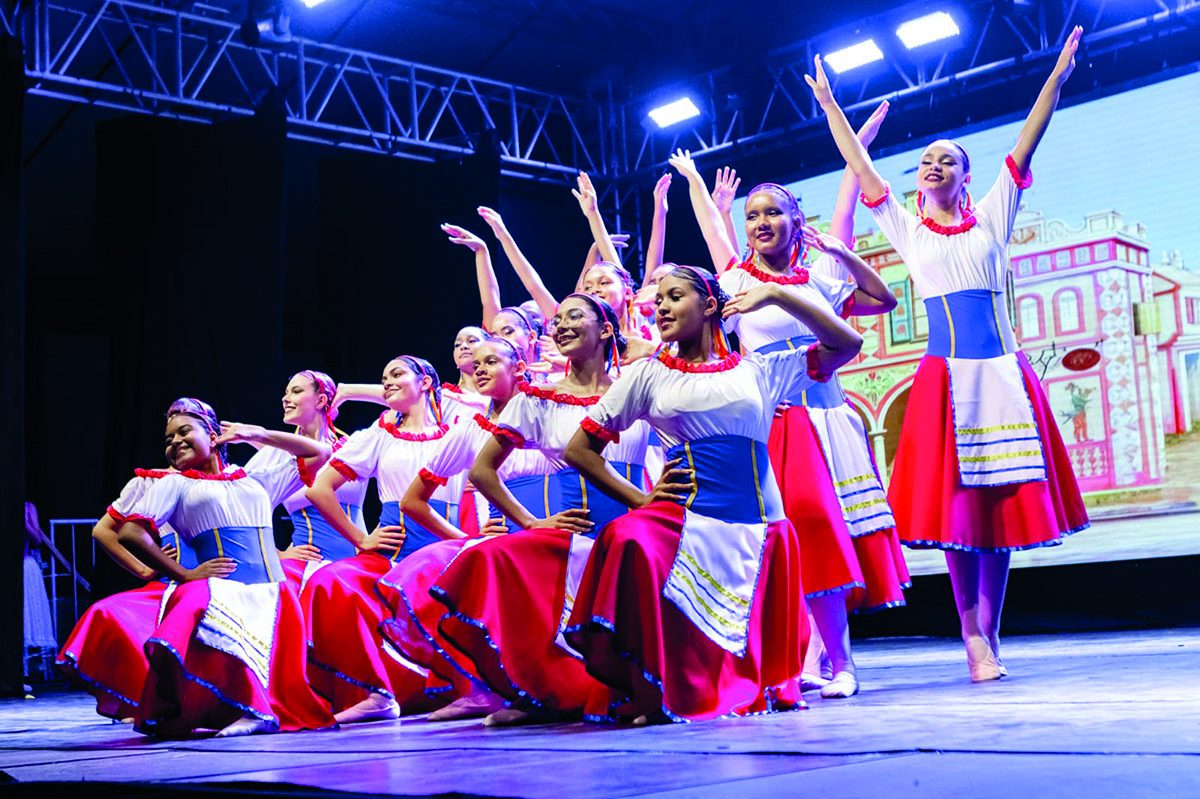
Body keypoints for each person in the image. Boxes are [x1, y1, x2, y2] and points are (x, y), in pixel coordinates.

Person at [804, 27, 1090, 680]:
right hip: (945, 380)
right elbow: (862, 168)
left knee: (1004, 511)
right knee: (964, 512)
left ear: (965, 175)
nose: (931, 166)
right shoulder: (904, 227)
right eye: (926, 160)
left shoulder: (994, 212)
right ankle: (971, 636)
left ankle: (989, 632)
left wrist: (1058, 76)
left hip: (1002, 376)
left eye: (945, 160)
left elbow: (1028, 136)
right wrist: (829, 106)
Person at [666, 111, 908, 699]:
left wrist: (844, 243)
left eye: (773, 211)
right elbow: (711, 232)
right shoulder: (732, 280)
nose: (761, 222)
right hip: (767, 426)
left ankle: (840, 660)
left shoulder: (821, 274)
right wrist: (697, 185)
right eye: (752, 215)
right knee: (787, 541)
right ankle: (798, 656)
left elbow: (883, 298)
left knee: (825, 535)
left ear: (797, 218)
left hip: (823, 418)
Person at [563, 264, 862, 722]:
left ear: (708, 306)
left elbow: (848, 343)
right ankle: (656, 685)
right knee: (628, 539)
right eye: (658, 299)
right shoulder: (647, 375)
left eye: (675, 296)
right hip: (687, 521)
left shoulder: (760, 369)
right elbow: (579, 449)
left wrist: (777, 297)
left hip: (759, 527)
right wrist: (639, 500)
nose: (661, 306)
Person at [431, 294, 651, 726]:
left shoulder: (637, 386)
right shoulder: (539, 400)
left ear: (607, 329)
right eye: (557, 319)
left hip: (632, 527)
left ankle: (640, 690)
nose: (561, 325)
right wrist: (530, 521)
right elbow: (482, 471)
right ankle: (538, 691)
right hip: (577, 533)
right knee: (486, 555)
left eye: (575, 316)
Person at [112, 398, 336, 737]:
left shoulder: (255, 479)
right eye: (169, 439)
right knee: (197, 612)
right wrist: (184, 574)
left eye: (184, 432)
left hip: (274, 593)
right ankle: (250, 710)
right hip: (225, 590)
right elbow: (130, 532)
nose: (175, 443)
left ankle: (260, 711)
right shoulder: (175, 484)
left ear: (214, 434)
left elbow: (319, 452)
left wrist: (255, 434)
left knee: (273, 667)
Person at [376, 335, 555, 720]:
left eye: (492, 362)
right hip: (509, 533)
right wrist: (464, 539)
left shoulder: (548, 408)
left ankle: (539, 688)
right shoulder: (470, 430)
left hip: (556, 525)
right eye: (477, 365)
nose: (481, 369)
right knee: (426, 570)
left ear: (519, 368)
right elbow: (413, 500)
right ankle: (482, 687)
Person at [302, 355, 457, 723]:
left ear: (427, 382)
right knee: (330, 581)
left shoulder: (459, 427)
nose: (386, 382)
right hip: (395, 550)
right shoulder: (378, 436)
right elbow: (320, 489)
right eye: (383, 377)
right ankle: (376, 691)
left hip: (446, 546)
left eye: (397, 374)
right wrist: (361, 538)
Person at [246, 371, 367, 591]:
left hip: (358, 566)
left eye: (296, 391)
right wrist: (278, 553)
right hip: (306, 570)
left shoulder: (355, 446)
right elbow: (242, 508)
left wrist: (348, 391)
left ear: (321, 400)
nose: (285, 398)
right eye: (285, 393)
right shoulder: (276, 454)